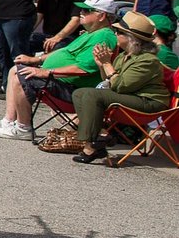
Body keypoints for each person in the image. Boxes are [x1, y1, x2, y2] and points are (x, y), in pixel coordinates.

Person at [0, 0, 119, 140]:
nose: (81, 12)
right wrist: (35, 60)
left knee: (22, 76)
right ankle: (8, 121)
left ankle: (23, 127)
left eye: (87, 10)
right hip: (62, 81)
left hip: (74, 90)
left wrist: (46, 72)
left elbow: (83, 69)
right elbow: (64, 52)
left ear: (101, 16)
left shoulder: (104, 36)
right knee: (16, 69)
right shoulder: (90, 33)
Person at [70, 11, 171, 164]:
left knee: (92, 95)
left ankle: (92, 145)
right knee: (79, 93)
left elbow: (121, 86)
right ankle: (99, 136)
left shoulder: (148, 60)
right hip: (132, 96)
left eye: (119, 32)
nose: (115, 34)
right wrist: (102, 65)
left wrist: (107, 63)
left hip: (148, 102)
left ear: (132, 39)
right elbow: (109, 81)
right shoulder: (124, 56)